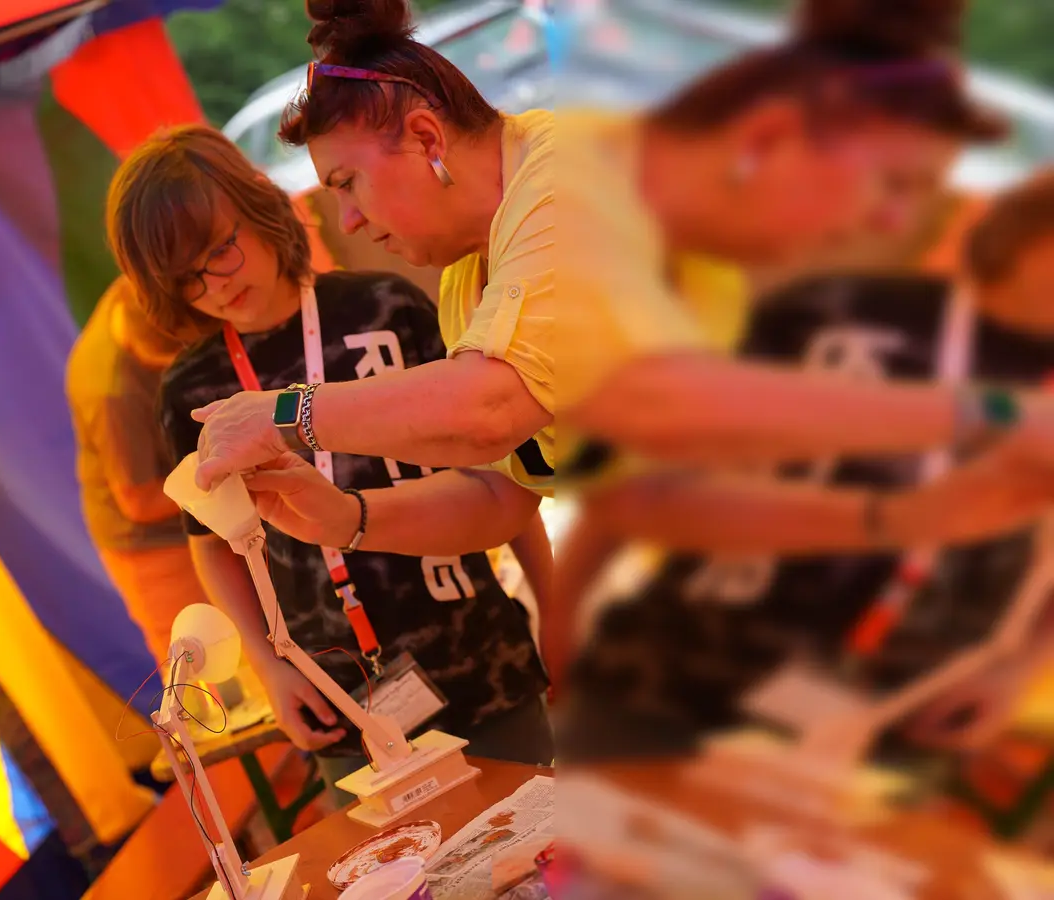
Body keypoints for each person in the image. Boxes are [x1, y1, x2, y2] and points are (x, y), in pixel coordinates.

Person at [191, 0, 1054, 567]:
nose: (346, 223)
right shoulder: (473, 275)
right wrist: (348, 519)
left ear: (426, 140)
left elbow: (491, 408)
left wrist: (279, 411)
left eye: (345, 185)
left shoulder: (570, 181)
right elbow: (503, 487)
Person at [106, 124, 554, 792]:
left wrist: (558, 601)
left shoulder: (385, 306)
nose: (216, 286)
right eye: (188, 280)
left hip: (479, 655)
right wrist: (269, 668)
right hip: (338, 699)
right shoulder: (190, 390)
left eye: (221, 252)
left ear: (259, 207)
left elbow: (501, 477)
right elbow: (212, 544)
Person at [553, 168, 1054, 765]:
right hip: (680, 671)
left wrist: (1018, 667)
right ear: (1032, 234)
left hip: (894, 719)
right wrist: (561, 604)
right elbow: (652, 468)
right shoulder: (839, 312)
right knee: (560, 847)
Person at [67, 276, 211, 662]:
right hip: (152, 543)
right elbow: (139, 502)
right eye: (171, 360)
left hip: (196, 504)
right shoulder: (112, 393)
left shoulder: (141, 284)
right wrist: (223, 475)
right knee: (199, 660)